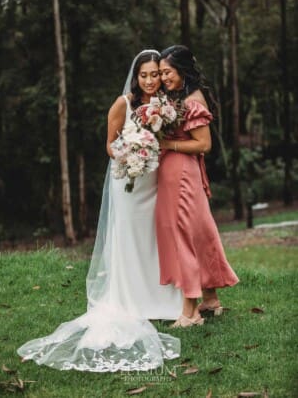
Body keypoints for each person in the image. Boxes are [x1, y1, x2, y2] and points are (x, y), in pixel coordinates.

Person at [17, 50, 182, 372]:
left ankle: (163, 299)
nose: (149, 80)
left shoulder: (166, 104)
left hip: (155, 182)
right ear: (135, 76)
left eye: (154, 74)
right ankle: (132, 299)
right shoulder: (123, 103)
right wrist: (129, 153)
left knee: (155, 238)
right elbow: (109, 143)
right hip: (130, 182)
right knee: (131, 238)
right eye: (144, 75)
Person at [156, 45, 239, 328]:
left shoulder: (192, 100)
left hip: (182, 175)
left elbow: (204, 144)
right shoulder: (178, 97)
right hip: (181, 172)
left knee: (183, 237)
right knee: (200, 232)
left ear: (182, 70)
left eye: (167, 72)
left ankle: (189, 313)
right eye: (161, 73)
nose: (164, 77)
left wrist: (168, 143)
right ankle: (210, 299)